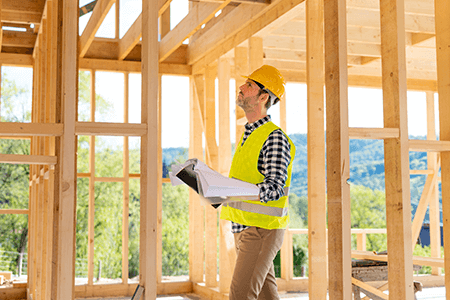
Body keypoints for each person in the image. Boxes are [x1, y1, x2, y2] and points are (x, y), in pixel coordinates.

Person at [220, 65, 296, 300]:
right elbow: (246, 184)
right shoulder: (248, 135)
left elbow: (273, 188)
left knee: (240, 296)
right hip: (243, 227)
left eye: (249, 85)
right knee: (266, 297)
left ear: (263, 97)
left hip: (261, 230)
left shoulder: (273, 137)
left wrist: (229, 189)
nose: (241, 87)